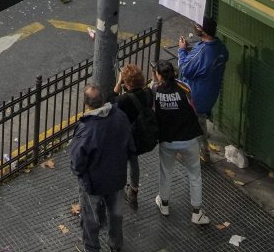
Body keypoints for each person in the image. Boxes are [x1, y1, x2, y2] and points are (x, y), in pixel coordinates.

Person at [68, 84, 132, 252]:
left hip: (94, 184)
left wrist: (81, 177)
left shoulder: (87, 128)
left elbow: (77, 162)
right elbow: (130, 145)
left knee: (91, 219)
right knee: (116, 216)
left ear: (86, 103)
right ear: (103, 100)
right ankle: (116, 245)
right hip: (117, 178)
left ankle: (91, 248)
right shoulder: (120, 117)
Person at [148, 58, 210, 225]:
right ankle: (197, 213)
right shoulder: (184, 87)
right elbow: (193, 109)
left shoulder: (154, 90)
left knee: (166, 171)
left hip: (167, 139)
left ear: (159, 76)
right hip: (188, 138)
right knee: (195, 175)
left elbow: (152, 108)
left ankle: (165, 203)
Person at [177, 24, 229, 150]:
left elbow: (184, 69)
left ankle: (201, 150)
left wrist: (182, 50)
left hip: (195, 95)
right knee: (199, 119)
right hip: (210, 93)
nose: (195, 27)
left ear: (204, 32)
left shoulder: (203, 51)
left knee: (195, 122)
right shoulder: (221, 47)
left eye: (198, 26)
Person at [113, 62, 157, 206]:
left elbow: (111, 103)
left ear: (127, 83)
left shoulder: (124, 100)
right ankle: (133, 190)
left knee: (120, 162)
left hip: (126, 138)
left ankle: (117, 189)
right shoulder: (148, 92)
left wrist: (118, 82)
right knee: (133, 161)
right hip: (142, 135)